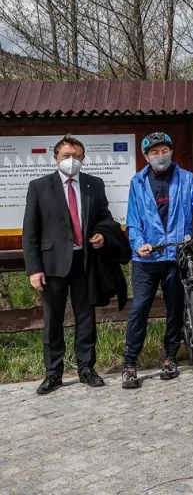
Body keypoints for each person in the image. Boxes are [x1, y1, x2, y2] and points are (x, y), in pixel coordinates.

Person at [123, 132, 193, 389]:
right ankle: (130, 363)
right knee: (140, 308)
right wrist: (139, 244)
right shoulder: (138, 182)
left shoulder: (186, 179)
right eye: (154, 152)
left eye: (164, 151)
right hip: (146, 258)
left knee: (175, 307)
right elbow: (133, 220)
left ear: (171, 152)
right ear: (146, 156)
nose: (160, 156)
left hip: (176, 254)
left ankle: (170, 357)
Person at [23, 135, 113, 394]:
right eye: (66, 156)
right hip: (52, 265)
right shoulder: (39, 187)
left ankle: (86, 368)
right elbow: (30, 231)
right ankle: (53, 372)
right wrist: (34, 269)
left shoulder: (94, 184)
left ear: (83, 158)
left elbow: (104, 217)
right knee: (52, 320)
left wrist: (102, 234)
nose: (71, 160)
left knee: (86, 318)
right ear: (56, 159)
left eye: (76, 156)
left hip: (84, 262)